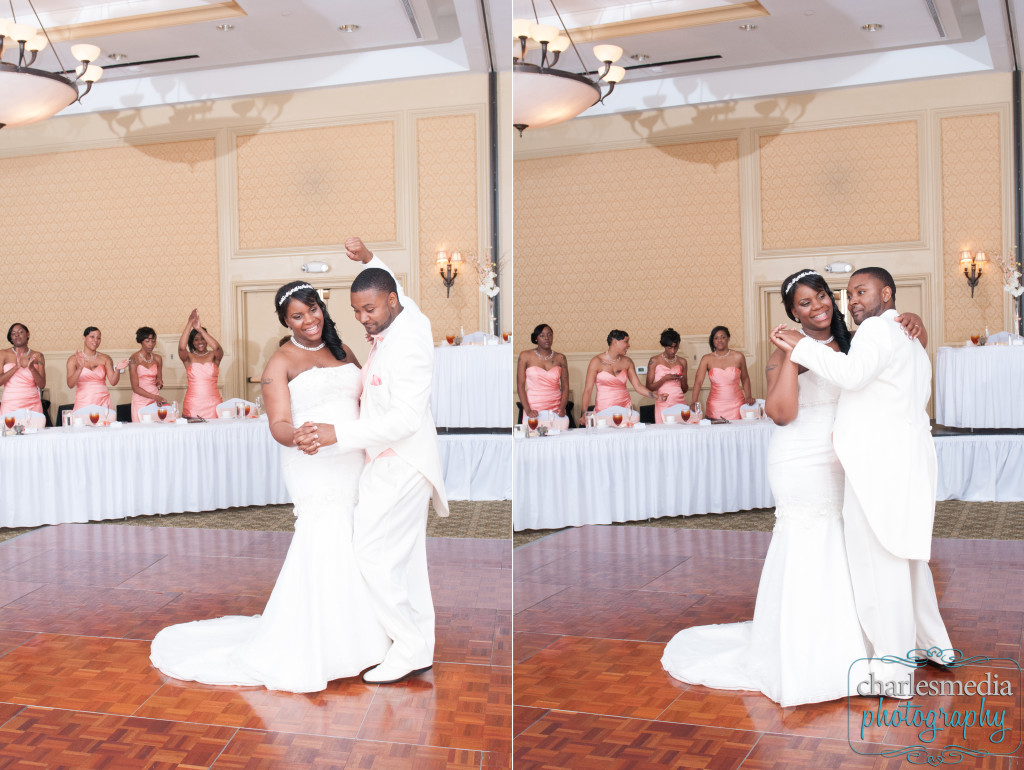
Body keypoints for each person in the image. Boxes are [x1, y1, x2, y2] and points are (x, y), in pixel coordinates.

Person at [662, 269, 929, 706]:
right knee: (811, 541)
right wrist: (793, 354)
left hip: (849, 458)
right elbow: (782, 413)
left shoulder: (858, 341)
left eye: (821, 296)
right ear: (792, 313)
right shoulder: (788, 350)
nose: (817, 306)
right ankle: (811, 650)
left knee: (851, 546)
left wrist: (909, 315)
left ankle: (861, 643)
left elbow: (884, 368)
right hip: (800, 458)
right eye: (804, 303)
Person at [150, 281, 390, 692]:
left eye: (312, 310)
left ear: (321, 308)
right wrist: (299, 436)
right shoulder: (280, 361)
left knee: (355, 536)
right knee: (325, 535)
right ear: (285, 322)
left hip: (351, 454)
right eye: (296, 316)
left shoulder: (343, 351)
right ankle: (319, 640)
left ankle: (362, 632)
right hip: (311, 458)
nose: (308, 320)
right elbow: (277, 423)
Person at [772, 267, 951, 689]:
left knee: (879, 567)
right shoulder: (899, 336)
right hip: (895, 461)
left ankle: (892, 671)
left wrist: (800, 346)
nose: (850, 299)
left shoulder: (873, 332)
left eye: (860, 291)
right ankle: (932, 645)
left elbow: (852, 375)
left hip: (875, 465)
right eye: (848, 292)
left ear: (886, 293)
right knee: (906, 560)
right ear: (793, 312)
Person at [342, 236, 449, 685]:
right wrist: (368, 258)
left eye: (370, 310)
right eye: (357, 314)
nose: (363, 320)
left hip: (402, 460)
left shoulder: (409, 341)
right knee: (404, 560)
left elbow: (404, 419)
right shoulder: (405, 317)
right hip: (389, 461)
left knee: (372, 553)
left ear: (389, 302)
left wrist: (339, 434)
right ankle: (416, 644)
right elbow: (396, 289)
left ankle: (406, 646)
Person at [579, 330, 664, 420]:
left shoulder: (627, 362)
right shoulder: (596, 361)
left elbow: (638, 386)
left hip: (625, 408)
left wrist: (657, 396)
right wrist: (584, 413)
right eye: (626, 342)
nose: (629, 345)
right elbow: (588, 390)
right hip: (603, 409)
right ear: (615, 342)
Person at [691, 326, 754, 420]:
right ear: (712, 341)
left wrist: (748, 397)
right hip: (715, 407)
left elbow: (745, 378)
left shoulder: (738, 357)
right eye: (716, 338)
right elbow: (698, 382)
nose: (719, 340)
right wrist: (694, 401)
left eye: (722, 337)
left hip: (736, 405)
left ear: (728, 338)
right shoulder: (707, 359)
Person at [516, 324, 569, 423]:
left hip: (556, 409)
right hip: (534, 409)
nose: (547, 338)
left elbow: (565, 387)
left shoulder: (561, 358)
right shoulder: (525, 356)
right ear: (536, 338)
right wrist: (528, 410)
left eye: (549, 335)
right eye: (542, 335)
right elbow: (520, 386)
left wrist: (562, 408)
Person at [67, 327, 125, 411]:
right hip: (83, 401)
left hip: (103, 401)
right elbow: (70, 384)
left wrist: (118, 369)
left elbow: (113, 382)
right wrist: (80, 368)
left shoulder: (105, 358)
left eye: (98, 338)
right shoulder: (73, 359)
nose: (95, 340)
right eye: (92, 337)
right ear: (83, 338)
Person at [178, 309, 224, 418]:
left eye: (203, 339)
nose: (200, 342)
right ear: (192, 343)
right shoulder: (188, 358)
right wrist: (190, 323)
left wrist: (199, 328)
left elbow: (217, 347)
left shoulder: (214, 356)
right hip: (193, 405)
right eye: (196, 340)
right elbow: (181, 347)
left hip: (213, 404)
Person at [0, 323, 45, 416]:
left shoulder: (38, 356)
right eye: (13, 333)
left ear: (28, 334)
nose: (17, 335)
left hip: (33, 405)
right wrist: (16, 367)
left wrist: (32, 369)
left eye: (20, 332)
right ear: (11, 337)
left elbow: (42, 385)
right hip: (10, 405)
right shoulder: (3, 354)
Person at [646, 328, 688, 423]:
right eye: (670, 347)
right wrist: (664, 379)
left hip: (680, 402)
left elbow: (685, 389)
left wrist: (682, 379)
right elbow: (649, 387)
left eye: (676, 347)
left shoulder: (682, 362)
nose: (673, 351)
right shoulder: (654, 360)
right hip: (663, 402)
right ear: (664, 346)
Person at [129, 327, 168, 422]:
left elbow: (159, 380)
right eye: (147, 341)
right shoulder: (134, 359)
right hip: (140, 399)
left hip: (155, 398)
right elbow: (135, 388)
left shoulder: (158, 358)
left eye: (153, 341)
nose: (151, 344)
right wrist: (155, 397)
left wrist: (159, 383)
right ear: (141, 341)